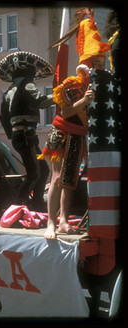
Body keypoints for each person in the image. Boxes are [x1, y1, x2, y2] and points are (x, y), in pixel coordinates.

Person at [41, 15, 109, 239]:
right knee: (57, 179)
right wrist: (83, 101)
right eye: (96, 63)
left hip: (79, 138)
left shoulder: (101, 91)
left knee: (69, 182)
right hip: (61, 135)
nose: (99, 67)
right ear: (86, 66)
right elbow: (65, 112)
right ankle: (50, 222)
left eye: (101, 63)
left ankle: (63, 221)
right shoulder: (70, 85)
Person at [0, 51, 54, 212]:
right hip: (27, 135)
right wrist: (59, 95)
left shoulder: (9, 90)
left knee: (42, 170)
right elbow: (41, 102)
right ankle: (18, 207)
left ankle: (35, 204)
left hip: (21, 135)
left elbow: (3, 118)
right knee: (35, 173)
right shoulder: (28, 84)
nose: (35, 75)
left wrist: (14, 134)